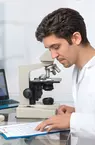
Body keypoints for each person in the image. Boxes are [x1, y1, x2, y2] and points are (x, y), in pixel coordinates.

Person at [35, 8, 95, 145]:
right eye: (49, 49)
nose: (53, 56)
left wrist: (72, 120)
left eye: (56, 47)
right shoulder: (79, 69)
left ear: (76, 38)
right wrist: (76, 112)